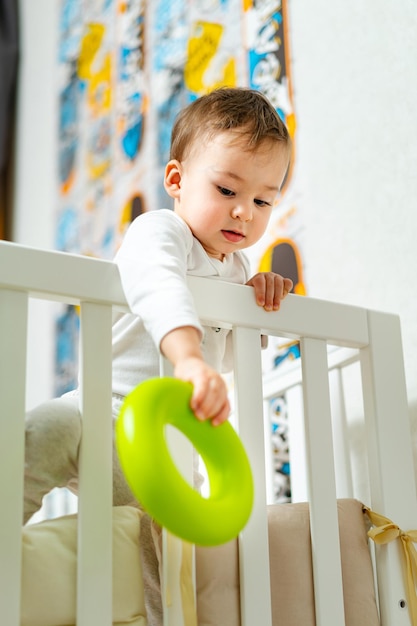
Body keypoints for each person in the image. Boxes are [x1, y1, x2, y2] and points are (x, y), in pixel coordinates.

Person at [24, 86, 293, 624]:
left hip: (168, 454)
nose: (244, 211)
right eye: (226, 188)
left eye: (264, 200)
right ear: (176, 180)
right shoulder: (159, 232)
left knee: (167, 568)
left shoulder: (237, 273)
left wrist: (257, 311)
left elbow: (238, 360)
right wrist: (190, 357)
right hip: (106, 417)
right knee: (47, 429)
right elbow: (159, 288)